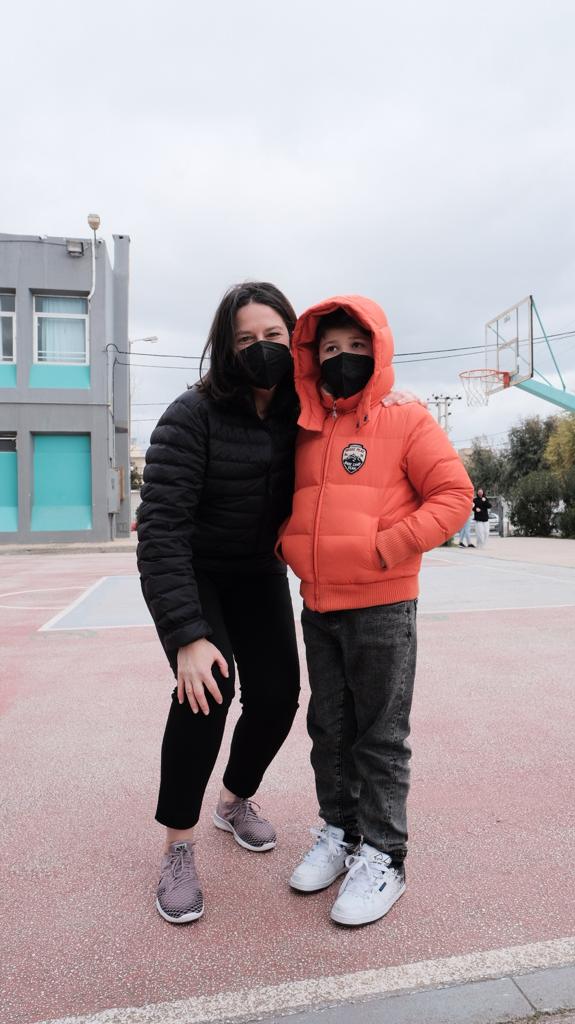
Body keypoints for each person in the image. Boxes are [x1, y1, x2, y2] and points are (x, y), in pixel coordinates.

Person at [137, 282, 422, 926]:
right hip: (197, 571)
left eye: (272, 336)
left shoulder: (305, 407)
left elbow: (360, 418)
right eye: (245, 339)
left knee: (276, 698)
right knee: (206, 691)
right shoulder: (191, 415)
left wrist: (392, 397)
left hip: (257, 570)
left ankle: (233, 800)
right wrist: (186, 634)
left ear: (293, 341)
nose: (260, 348)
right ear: (224, 347)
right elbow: (161, 531)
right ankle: (178, 846)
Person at [278, 296, 473, 926]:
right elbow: (285, 499)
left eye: (356, 348)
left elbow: (454, 495)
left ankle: (385, 857)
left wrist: (387, 548)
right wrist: (289, 546)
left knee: (380, 736)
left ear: (378, 351)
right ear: (313, 358)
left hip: (384, 606)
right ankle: (341, 833)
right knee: (328, 730)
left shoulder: (407, 418)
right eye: (331, 349)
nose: (343, 358)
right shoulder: (304, 426)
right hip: (318, 603)